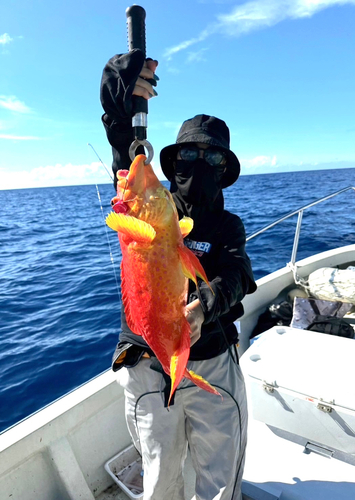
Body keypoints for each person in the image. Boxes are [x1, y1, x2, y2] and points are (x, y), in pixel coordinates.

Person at [100, 49, 257, 500]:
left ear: (224, 172)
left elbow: (237, 273)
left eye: (212, 159)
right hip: (149, 368)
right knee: (159, 477)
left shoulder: (228, 227)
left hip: (207, 359)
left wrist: (205, 305)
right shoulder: (145, 204)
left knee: (219, 480)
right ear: (170, 163)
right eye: (188, 153)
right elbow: (120, 142)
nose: (198, 164)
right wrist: (121, 83)